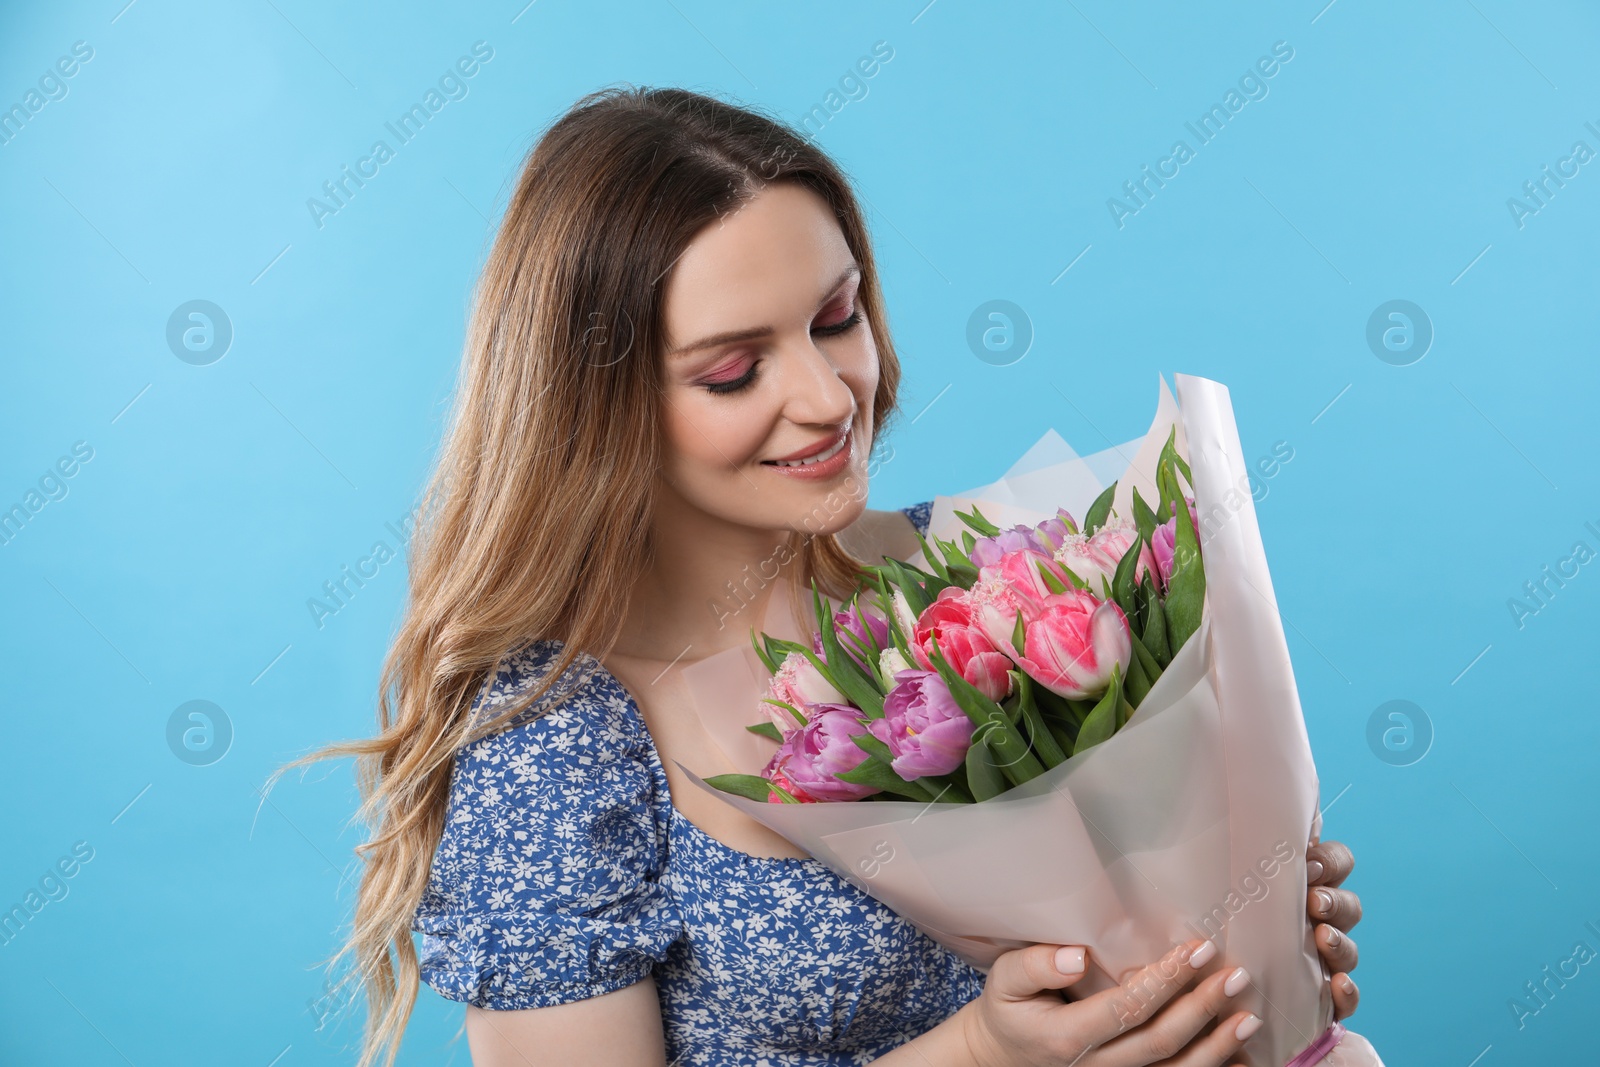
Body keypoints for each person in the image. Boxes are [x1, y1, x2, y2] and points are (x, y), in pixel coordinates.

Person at [279, 85, 1363, 1067]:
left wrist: (1238, 935)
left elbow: (1136, 918)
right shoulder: (555, 737)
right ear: (594, 405)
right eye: (734, 369)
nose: (828, 393)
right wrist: (982, 1055)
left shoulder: (984, 579)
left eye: (835, 317)